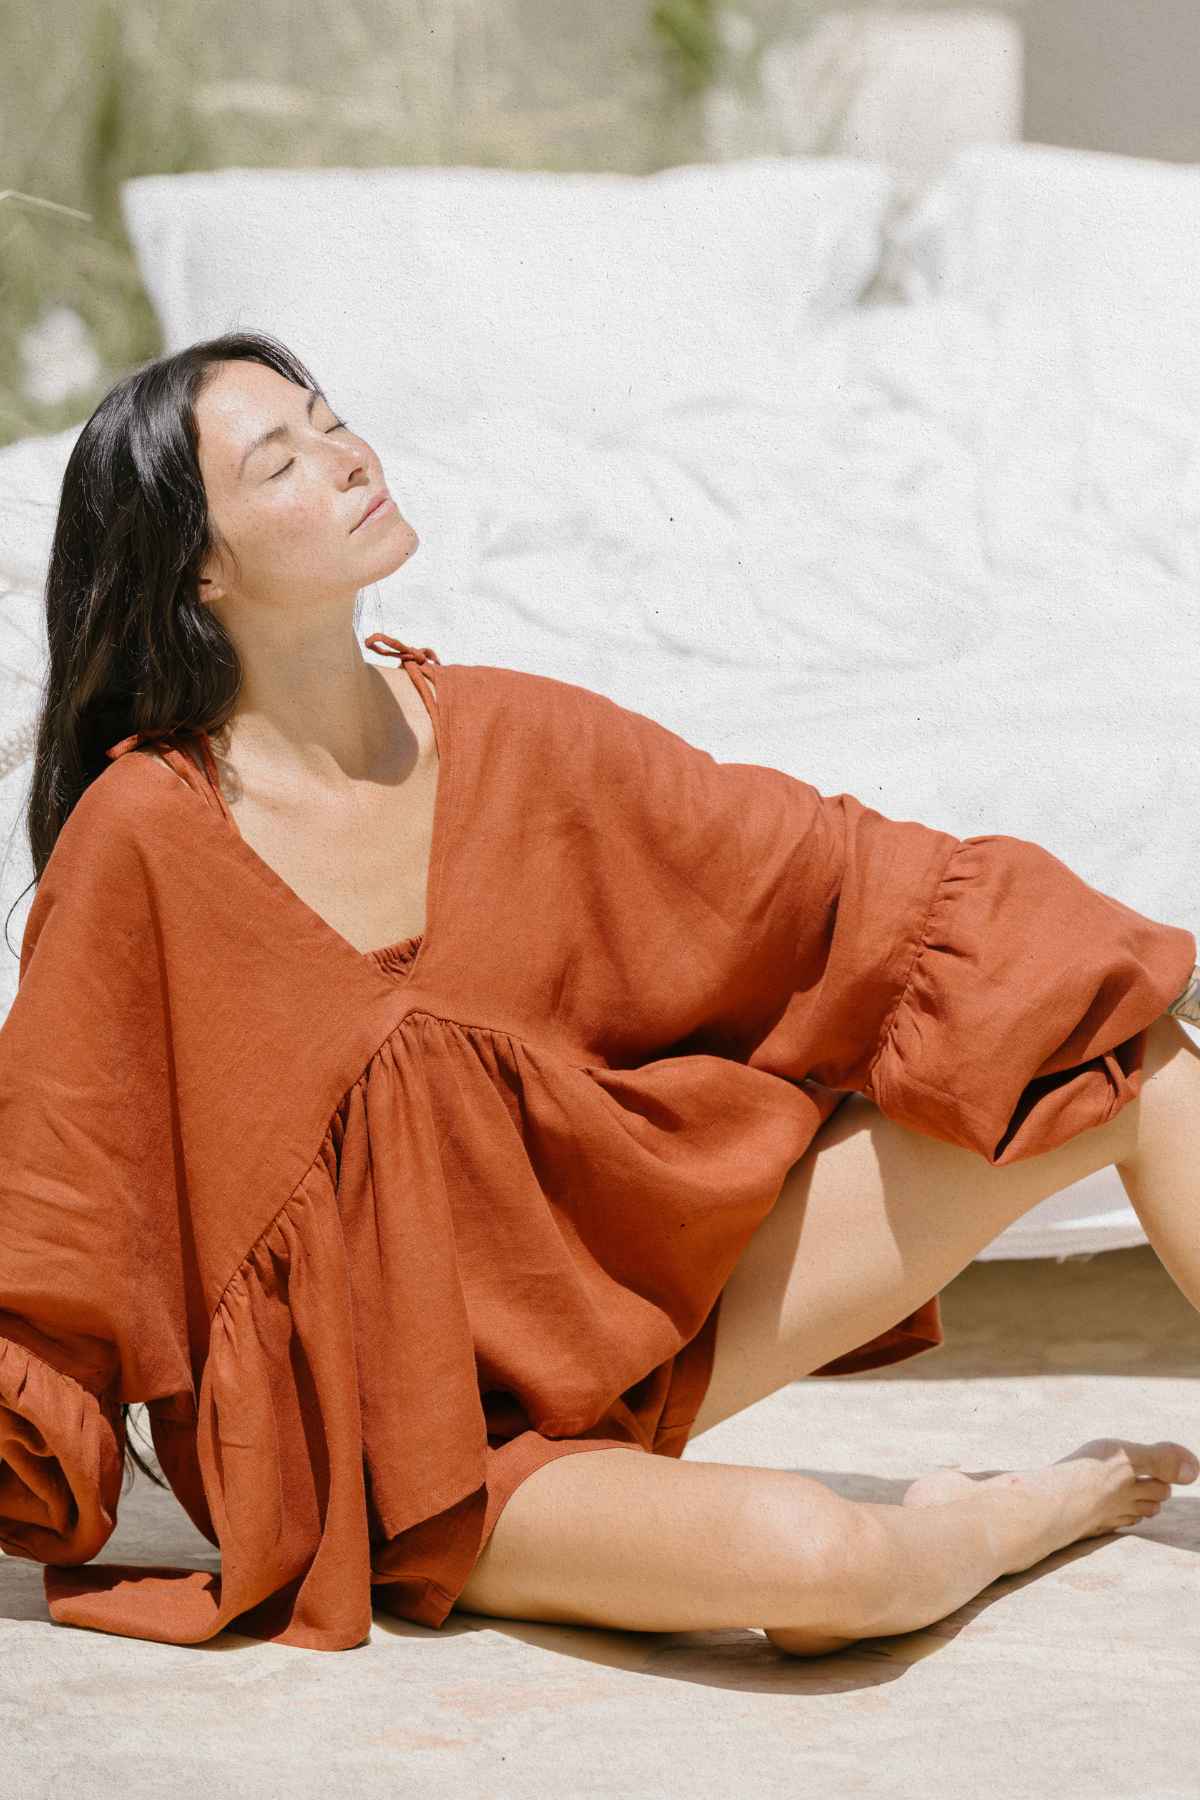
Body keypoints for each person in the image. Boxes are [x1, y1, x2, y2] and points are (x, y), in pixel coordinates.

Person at [2, 328, 1198, 1658]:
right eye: (282, 459)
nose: (345, 460)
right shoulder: (143, 837)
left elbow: (842, 890)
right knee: (830, 1570)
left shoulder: (518, 735)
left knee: (1128, 1048)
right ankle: (1010, 1516)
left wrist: (1069, 963)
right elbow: (58, 1201)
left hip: (650, 1328)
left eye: (333, 419)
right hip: (436, 1471)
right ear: (203, 568)